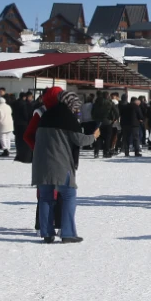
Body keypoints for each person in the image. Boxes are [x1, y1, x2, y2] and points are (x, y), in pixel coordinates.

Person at [32, 90, 100, 243]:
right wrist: (94, 137)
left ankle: (47, 233)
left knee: (45, 198)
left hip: (41, 164)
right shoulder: (68, 118)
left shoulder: (46, 115)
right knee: (69, 195)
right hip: (60, 164)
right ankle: (67, 233)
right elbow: (79, 140)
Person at [92, 91, 118, 158]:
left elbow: (92, 112)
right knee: (108, 138)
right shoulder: (110, 103)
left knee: (98, 137)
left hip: (98, 122)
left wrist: (95, 118)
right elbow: (116, 112)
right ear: (108, 96)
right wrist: (115, 119)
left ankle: (96, 152)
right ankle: (106, 152)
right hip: (108, 122)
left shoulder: (96, 103)